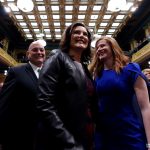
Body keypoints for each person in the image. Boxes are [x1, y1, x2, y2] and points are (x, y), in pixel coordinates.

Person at [35, 22, 97, 150]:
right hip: (64, 138)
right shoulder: (57, 57)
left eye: (85, 34)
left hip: (85, 133)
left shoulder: (85, 68)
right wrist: (68, 140)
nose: (81, 36)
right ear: (68, 37)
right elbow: (44, 102)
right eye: (76, 32)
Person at [88, 36, 150, 150]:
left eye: (102, 45)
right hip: (104, 134)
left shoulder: (130, 69)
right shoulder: (97, 75)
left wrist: (149, 141)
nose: (99, 49)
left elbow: (145, 107)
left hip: (129, 131)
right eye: (97, 48)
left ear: (113, 47)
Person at [0, 40, 46, 150]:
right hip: (19, 133)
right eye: (35, 50)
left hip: (43, 133)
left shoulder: (49, 73)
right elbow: (4, 103)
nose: (39, 52)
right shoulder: (16, 72)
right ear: (28, 54)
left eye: (42, 50)